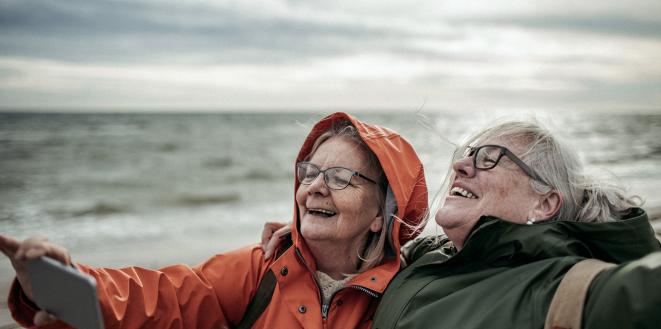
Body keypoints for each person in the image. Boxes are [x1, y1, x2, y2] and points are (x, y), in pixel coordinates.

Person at [0, 112, 429, 329]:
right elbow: (163, 299)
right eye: (310, 172)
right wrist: (61, 284)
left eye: (340, 178)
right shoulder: (259, 270)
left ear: (380, 214)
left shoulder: (408, 297)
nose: (315, 187)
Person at [263, 119, 661, 328]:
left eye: (489, 157)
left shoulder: (560, 285)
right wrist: (320, 242)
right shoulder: (428, 258)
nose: (459, 165)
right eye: (465, 153)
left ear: (545, 202)